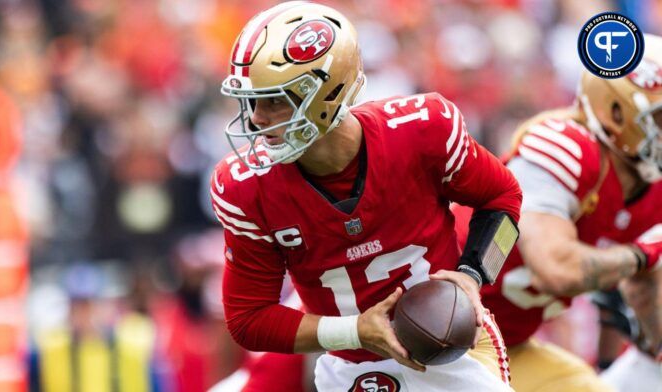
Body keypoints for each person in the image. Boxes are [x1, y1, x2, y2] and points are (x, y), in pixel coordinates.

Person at [210, 1, 522, 390]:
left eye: (274, 100)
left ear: (327, 93)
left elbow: (504, 197)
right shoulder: (245, 186)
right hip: (351, 366)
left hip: (454, 351)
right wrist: (355, 331)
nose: (256, 118)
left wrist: (473, 275)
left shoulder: (422, 131)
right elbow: (247, 319)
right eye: (253, 101)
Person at [452, 33, 662, 392]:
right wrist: (644, 254)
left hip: (509, 343)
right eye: (657, 117)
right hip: (440, 331)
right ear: (615, 111)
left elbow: (641, 288)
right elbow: (556, 268)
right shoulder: (566, 145)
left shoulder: (650, 184)